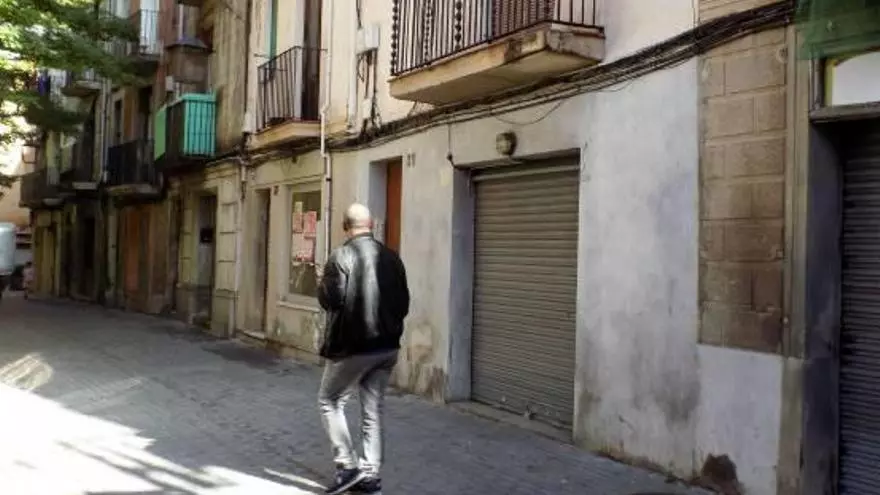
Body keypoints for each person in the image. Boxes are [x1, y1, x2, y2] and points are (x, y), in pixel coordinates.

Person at [317, 203, 410, 495]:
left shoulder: (341, 256)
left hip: (353, 346)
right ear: (372, 225)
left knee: (329, 400)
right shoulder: (392, 258)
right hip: (387, 347)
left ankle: (347, 467)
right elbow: (404, 304)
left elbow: (331, 300)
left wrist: (322, 282)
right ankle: (370, 478)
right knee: (373, 409)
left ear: (346, 227)